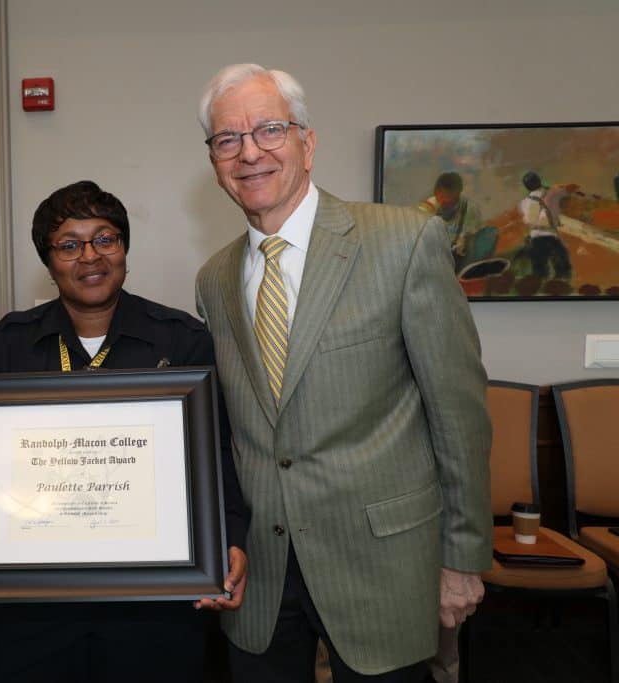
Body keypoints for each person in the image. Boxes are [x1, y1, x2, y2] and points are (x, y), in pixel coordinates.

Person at [194, 63, 492, 682]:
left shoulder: (404, 242)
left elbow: (458, 414)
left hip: (382, 569)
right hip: (262, 578)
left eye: (269, 130)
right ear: (215, 159)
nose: (249, 152)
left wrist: (463, 557)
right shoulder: (214, 280)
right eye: (228, 139)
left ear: (308, 140)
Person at [0, 180, 250, 682]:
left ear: (124, 248)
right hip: (33, 604)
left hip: (154, 604)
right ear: (48, 261)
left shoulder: (181, 340)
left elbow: (215, 453)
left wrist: (232, 538)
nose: (90, 256)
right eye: (69, 244)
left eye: (105, 238)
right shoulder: (8, 346)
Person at [417, 171, 483, 272]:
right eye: (440, 196)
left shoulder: (470, 209)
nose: (443, 201)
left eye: (448, 197)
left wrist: (464, 241)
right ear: (435, 192)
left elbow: (474, 238)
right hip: (432, 260)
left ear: (457, 195)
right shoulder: (426, 207)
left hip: (458, 261)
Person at [517, 171, 573, 280]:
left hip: (535, 240)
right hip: (551, 237)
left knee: (539, 274)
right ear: (539, 181)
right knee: (563, 271)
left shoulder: (523, 203)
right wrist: (558, 187)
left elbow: (526, 220)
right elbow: (570, 189)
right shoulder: (553, 193)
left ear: (527, 187)